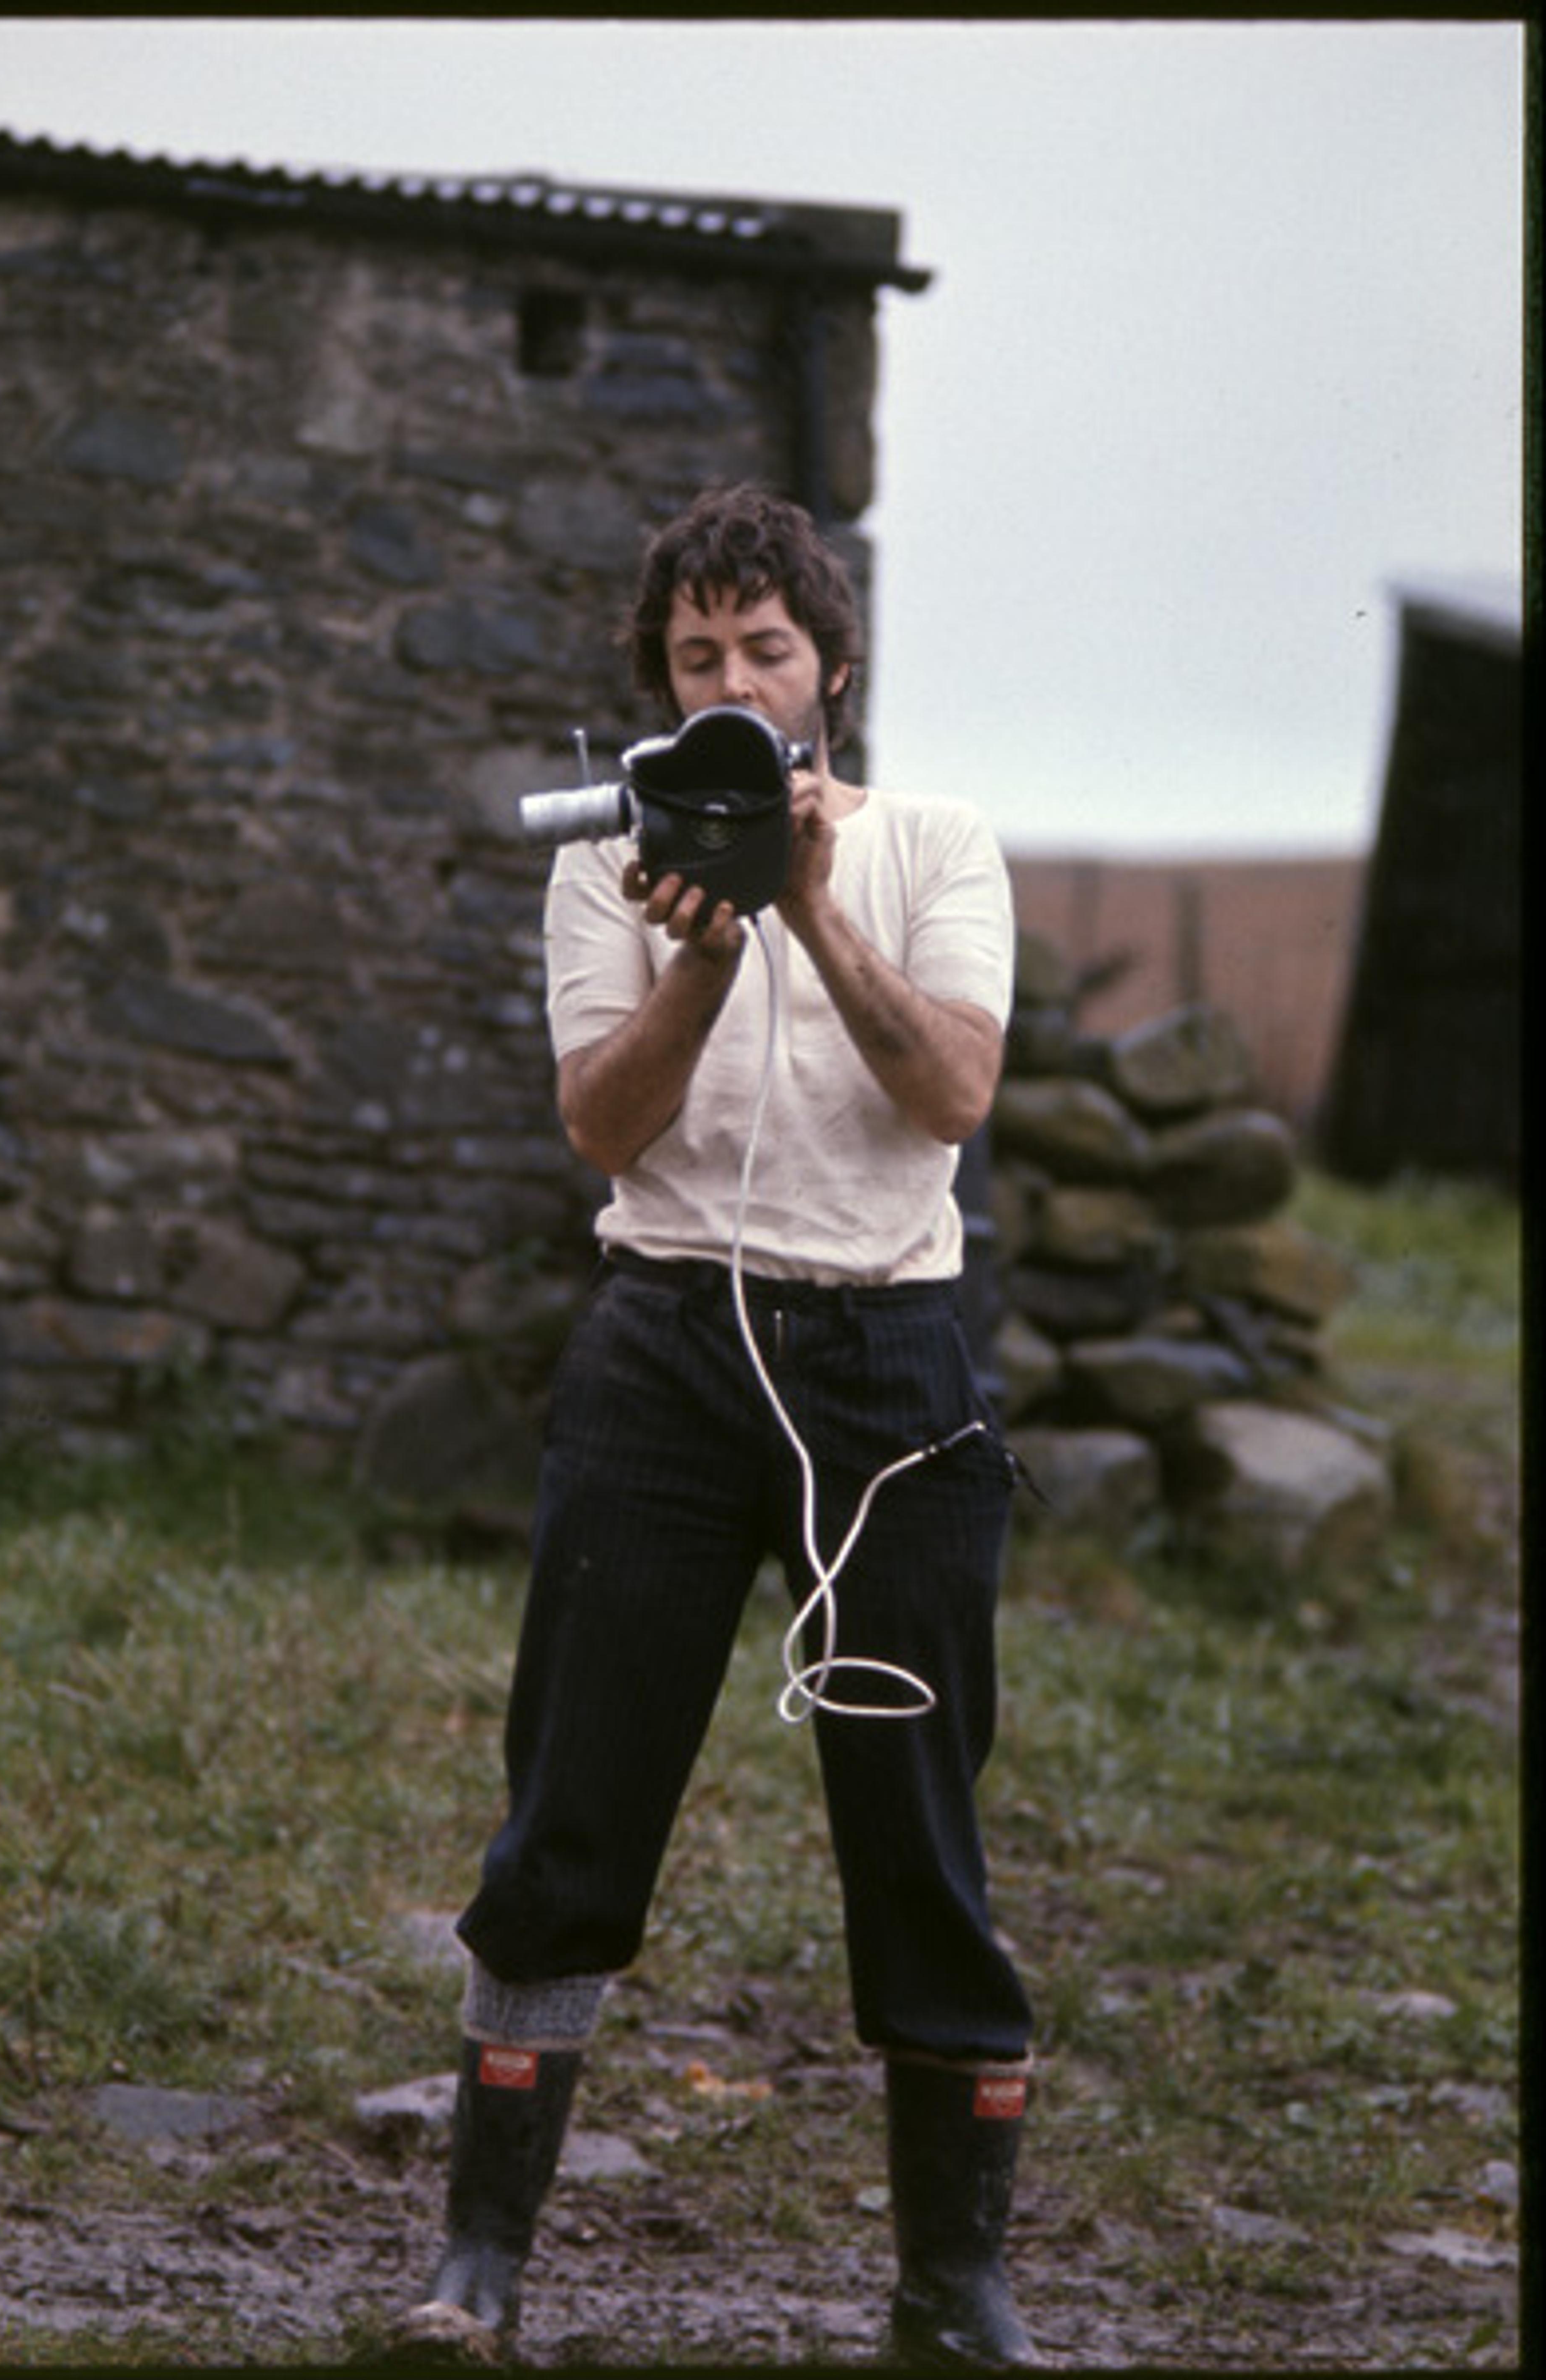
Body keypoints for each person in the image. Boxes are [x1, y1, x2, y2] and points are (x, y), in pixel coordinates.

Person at [401, 484, 1039, 2367]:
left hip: (892, 1364)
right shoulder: (610, 868)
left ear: (829, 665)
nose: (737, 677)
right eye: (698, 657)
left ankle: (956, 2285)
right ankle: (479, 2267)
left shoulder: (938, 841)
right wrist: (702, 941)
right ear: (658, 692)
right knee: (577, 1795)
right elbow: (602, 1131)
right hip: (669, 1348)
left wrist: (811, 906)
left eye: (766, 647)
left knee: (917, 1821)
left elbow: (953, 1093)